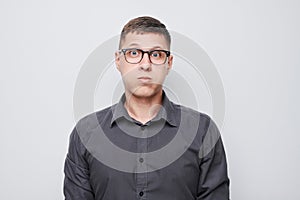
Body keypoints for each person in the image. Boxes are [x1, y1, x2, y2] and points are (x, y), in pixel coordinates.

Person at [63, 16, 230, 200]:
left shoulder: (202, 131)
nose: (145, 64)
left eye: (156, 54)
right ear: (118, 60)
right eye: (134, 53)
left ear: (169, 63)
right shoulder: (85, 134)